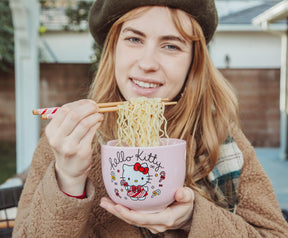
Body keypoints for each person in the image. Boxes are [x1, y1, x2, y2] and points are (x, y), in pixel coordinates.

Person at [13, 0, 288, 237]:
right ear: (113, 50)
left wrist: (194, 218)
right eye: (134, 39)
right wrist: (69, 178)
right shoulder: (68, 142)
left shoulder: (219, 136)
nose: (147, 63)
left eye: (171, 46)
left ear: (194, 61)